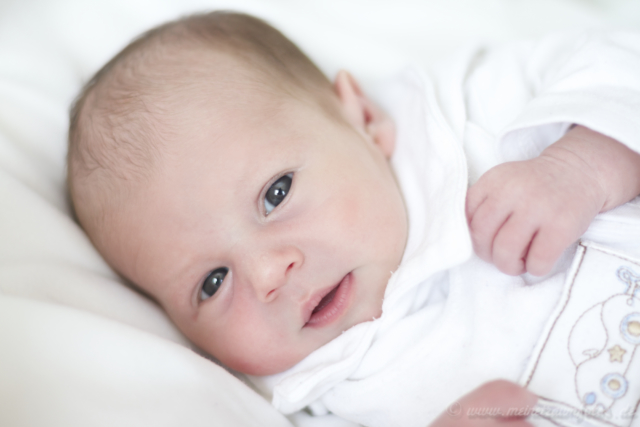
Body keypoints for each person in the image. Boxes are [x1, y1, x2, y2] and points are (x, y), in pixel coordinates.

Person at [67, 11, 640, 427]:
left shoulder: (469, 118)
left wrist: (582, 166)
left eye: (276, 193)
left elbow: (624, 61)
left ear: (363, 117)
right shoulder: (315, 398)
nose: (270, 273)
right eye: (212, 282)